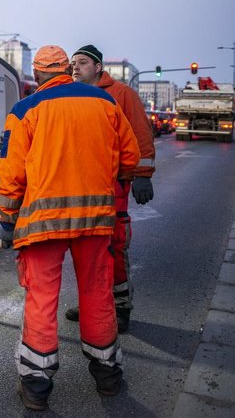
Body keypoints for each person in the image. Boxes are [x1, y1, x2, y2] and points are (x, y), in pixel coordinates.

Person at [0, 45, 140, 410]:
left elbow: (11, 175)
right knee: (97, 292)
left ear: (39, 74)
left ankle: (36, 386)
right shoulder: (105, 103)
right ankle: (107, 375)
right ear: (66, 69)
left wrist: (5, 219)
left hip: (44, 224)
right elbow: (131, 156)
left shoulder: (25, 110)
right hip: (95, 222)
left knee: (42, 298)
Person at [67, 44, 155, 332]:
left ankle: (120, 308)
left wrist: (142, 174)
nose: (75, 67)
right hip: (79, 184)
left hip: (112, 183)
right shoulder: (72, 94)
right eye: (72, 63)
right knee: (84, 246)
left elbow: (140, 132)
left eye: (82, 62)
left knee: (113, 246)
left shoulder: (121, 94)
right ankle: (93, 304)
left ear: (98, 67)